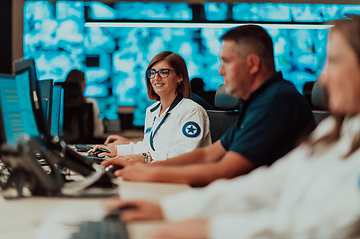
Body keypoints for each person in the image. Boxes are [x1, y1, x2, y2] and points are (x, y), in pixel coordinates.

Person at [106, 17, 360, 239]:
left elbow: (229, 171)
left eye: (335, 60)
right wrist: (166, 204)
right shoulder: (331, 131)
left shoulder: (276, 100)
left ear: (251, 64)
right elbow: (266, 181)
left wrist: (153, 174)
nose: (324, 76)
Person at [101, 25, 315, 187]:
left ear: (252, 64)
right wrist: (143, 164)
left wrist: (148, 171)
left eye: (226, 61)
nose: (220, 71)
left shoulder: (276, 100)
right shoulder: (258, 100)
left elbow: (225, 169)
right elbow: (208, 155)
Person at [92, 51, 211, 163]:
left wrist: (145, 157)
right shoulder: (152, 111)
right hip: (159, 172)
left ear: (180, 77)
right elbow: (148, 147)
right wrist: (116, 151)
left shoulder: (191, 111)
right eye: (152, 73)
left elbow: (185, 154)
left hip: (184, 178)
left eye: (164, 72)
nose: (156, 78)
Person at [64, 69, 104, 138]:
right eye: (84, 81)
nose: (86, 84)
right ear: (81, 84)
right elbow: (98, 132)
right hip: (84, 146)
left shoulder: (59, 105)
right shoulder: (91, 103)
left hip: (63, 145)